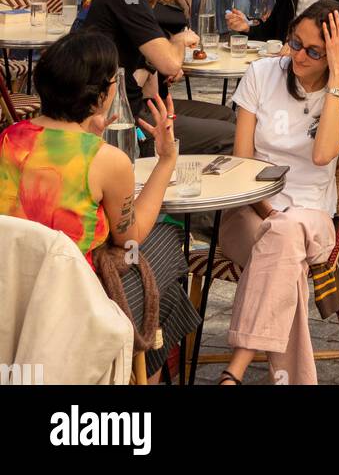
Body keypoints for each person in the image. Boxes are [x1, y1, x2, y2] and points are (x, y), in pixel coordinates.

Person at [0, 31, 200, 381]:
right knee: (168, 246)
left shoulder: (9, 137)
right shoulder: (107, 160)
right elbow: (130, 237)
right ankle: (143, 375)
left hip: (12, 292)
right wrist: (166, 159)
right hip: (73, 303)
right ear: (102, 95)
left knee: (162, 287)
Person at [217, 0, 339, 385]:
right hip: (249, 212)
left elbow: (322, 154)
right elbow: (242, 164)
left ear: (337, 55)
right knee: (286, 256)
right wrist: (267, 211)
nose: (297, 56)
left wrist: (336, 78)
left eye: (314, 51)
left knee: (287, 237)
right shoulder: (262, 72)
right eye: (294, 42)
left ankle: (234, 372)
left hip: (313, 219)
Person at [81, 0, 235, 155]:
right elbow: (171, 64)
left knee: (227, 115)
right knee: (232, 135)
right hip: (122, 116)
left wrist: (152, 64)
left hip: (139, 102)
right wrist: (180, 40)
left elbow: (152, 88)